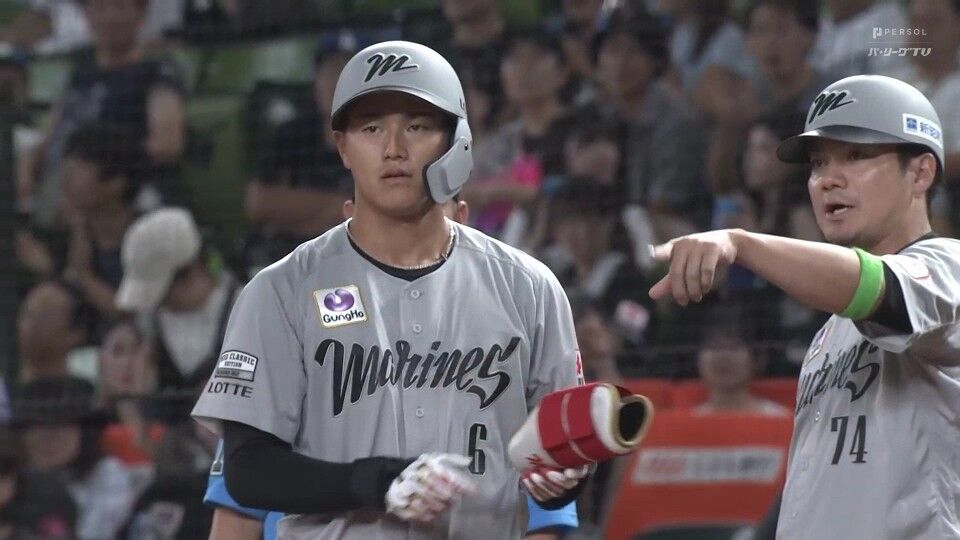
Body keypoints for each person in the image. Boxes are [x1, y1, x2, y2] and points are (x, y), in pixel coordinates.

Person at [192, 40, 587, 538]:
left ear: (457, 142)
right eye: (371, 128)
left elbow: (560, 471)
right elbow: (248, 471)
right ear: (342, 146)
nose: (393, 148)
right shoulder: (279, 291)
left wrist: (565, 475)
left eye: (417, 127)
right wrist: (377, 481)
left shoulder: (530, 288)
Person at [650, 74, 960, 538]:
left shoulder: (949, 266)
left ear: (920, 173)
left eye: (856, 156)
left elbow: (882, 290)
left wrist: (741, 242)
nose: (828, 179)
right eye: (818, 163)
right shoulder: (829, 333)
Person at [16, 0, 185, 227]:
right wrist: (27, 165)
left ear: (141, 13)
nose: (109, 17)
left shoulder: (155, 73)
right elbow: (50, 136)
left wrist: (93, 180)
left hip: (111, 194)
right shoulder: (81, 74)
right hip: (55, 187)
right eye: (99, 8)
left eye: (119, 7)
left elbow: (166, 146)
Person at [116, 208, 242, 396]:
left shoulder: (249, 310)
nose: (157, 303)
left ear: (188, 270)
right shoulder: (149, 324)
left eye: (162, 294)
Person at [693, 317, 790, 416]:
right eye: (714, 346)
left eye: (733, 347)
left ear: (756, 359)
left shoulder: (778, 418)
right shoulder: (691, 419)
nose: (723, 357)